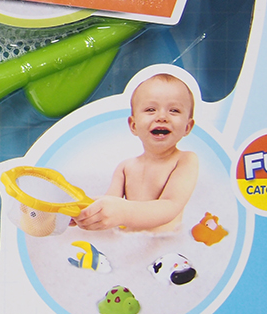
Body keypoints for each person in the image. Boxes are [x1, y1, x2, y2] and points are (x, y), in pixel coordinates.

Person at [72, 74, 198, 233]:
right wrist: (86, 211)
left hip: (164, 243)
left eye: (174, 110)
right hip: (129, 242)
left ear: (187, 127)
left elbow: (171, 205)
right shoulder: (125, 167)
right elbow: (109, 203)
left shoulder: (185, 160)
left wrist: (123, 212)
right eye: (150, 109)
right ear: (133, 125)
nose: (162, 117)